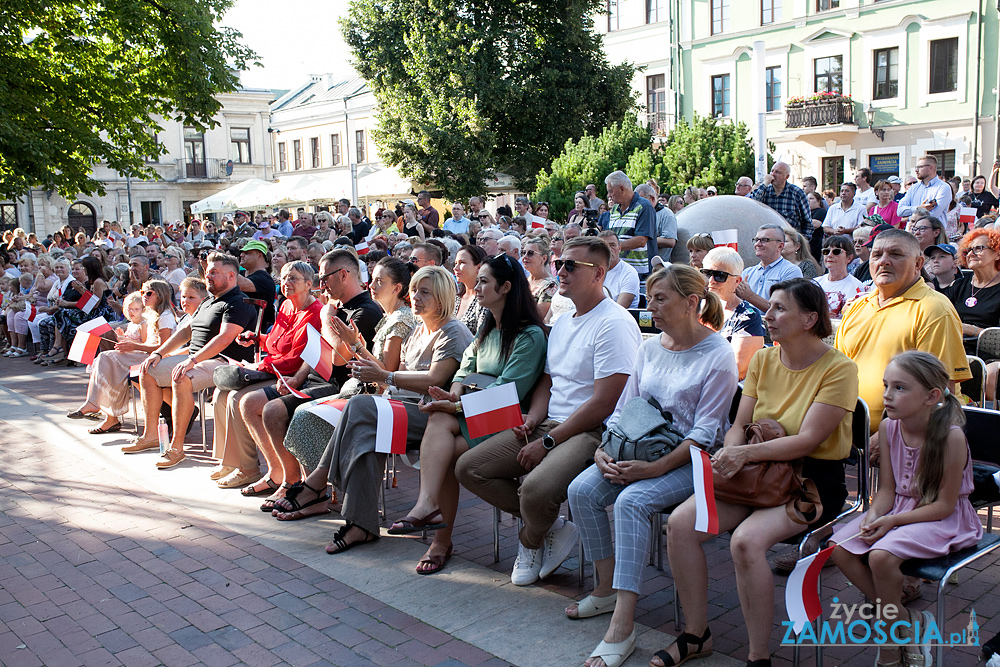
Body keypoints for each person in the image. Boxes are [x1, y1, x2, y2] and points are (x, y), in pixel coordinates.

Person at [660, 278, 858, 667]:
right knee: (681, 525)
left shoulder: (839, 368)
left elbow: (807, 441)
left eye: (779, 308)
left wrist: (742, 454)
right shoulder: (766, 359)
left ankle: (757, 657)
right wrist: (733, 451)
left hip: (810, 482)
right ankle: (696, 634)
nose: (767, 316)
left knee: (746, 542)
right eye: (770, 308)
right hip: (755, 474)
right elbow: (738, 422)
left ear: (810, 318)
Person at [564, 265, 737, 667]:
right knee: (581, 490)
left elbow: (705, 435)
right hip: (636, 448)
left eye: (661, 299)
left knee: (631, 502)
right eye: (650, 297)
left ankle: (623, 622)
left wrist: (653, 471)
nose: (651, 307)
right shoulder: (650, 347)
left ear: (692, 302)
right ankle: (605, 589)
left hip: (688, 460)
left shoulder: (718, 354)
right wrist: (602, 451)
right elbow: (625, 409)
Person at [456, 237, 643, 587]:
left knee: (536, 490)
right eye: (559, 264)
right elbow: (547, 381)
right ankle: (552, 526)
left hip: (592, 432)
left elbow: (604, 403)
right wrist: (533, 419)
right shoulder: (565, 319)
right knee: (469, 468)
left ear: (599, 273)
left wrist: (547, 442)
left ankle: (529, 541)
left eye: (571, 266)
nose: (561, 272)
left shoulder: (613, 323)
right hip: (549, 424)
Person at [270, 267, 473, 542]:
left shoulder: (453, 331)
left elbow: (432, 380)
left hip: (432, 415)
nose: (416, 297)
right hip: (400, 407)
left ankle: (317, 481)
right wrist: (357, 346)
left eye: (425, 292)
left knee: (360, 406)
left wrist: (383, 376)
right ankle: (360, 526)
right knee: (365, 436)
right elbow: (393, 380)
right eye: (414, 290)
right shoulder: (418, 329)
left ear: (443, 296)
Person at [388, 254, 546, 574]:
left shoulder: (529, 335)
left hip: (508, 417)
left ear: (505, 288)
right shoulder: (487, 329)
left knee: (443, 449)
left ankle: (435, 526)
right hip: (475, 412)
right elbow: (464, 370)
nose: (476, 285)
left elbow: (507, 391)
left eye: (484, 281)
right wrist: (453, 395)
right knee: (438, 419)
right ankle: (430, 513)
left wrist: (456, 405)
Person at [830, 351, 982, 667]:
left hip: (944, 518)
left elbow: (944, 505)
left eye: (900, 388)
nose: (887, 395)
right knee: (840, 549)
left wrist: (891, 520)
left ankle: (890, 646)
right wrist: (873, 516)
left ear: (932, 396)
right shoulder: (888, 428)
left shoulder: (951, 438)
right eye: (886, 385)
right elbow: (887, 490)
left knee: (881, 557)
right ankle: (906, 622)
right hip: (898, 510)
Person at [231, 249, 385, 493]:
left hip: (339, 386)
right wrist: (295, 378)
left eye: (323, 278)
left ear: (343, 275)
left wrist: (325, 317)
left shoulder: (362, 311)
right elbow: (313, 351)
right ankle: (277, 473)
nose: (320, 285)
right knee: (249, 403)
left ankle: (300, 486)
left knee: (273, 410)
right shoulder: (334, 306)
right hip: (312, 379)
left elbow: (337, 359)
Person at [281, 257, 417, 503]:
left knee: (304, 416)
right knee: (300, 414)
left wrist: (350, 341)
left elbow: (385, 374)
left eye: (379, 281)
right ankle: (314, 491)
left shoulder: (398, 319)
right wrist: (357, 345)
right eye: (372, 279)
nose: (371, 286)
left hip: (375, 396)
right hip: (360, 389)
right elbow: (350, 358)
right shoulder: (388, 316)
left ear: (397, 288)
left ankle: (315, 492)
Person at [835, 229, 970, 438]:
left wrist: (889, 434)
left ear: (918, 264)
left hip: (914, 437)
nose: (884, 261)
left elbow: (941, 391)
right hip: (851, 433)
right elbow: (837, 373)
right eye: (877, 255)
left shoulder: (934, 309)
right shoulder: (857, 306)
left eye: (895, 254)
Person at [133, 253, 257, 467]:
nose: (207, 275)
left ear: (231, 276)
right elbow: (186, 332)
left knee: (182, 377)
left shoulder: (240, 302)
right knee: (146, 370)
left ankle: (177, 447)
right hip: (196, 358)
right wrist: (158, 353)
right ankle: (151, 435)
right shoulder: (208, 300)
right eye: (208, 271)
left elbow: (225, 338)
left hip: (224, 360)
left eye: (214, 272)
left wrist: (192, 360)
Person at [211, 261, 323, 489]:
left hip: (291, 376)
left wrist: (259, 366)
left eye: (293, 278)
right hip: (275, 368)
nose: (286, 283)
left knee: (238, 399)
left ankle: (269, 471)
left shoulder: (315, 313)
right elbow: (277, 342)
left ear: (309, 284)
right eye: (283, 278)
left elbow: (297, 359)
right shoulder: (287, 305)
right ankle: (236, 463)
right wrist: (257, 337)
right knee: (221, 396)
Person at [71, 281, 176, 434]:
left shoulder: (165, 317)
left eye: (148, 293)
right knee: (106, 362)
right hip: (148, 355)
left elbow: (163, 348)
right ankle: (107, 415)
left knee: (106, 360)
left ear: (161, 295)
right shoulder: (154, 314)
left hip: (157, 358)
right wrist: (128, 343)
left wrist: (134, 346)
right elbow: (149, 343)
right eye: (142, 292)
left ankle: (99, 408)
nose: (144, 296)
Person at [701, 248, 765, 380]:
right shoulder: (694, 307)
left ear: (737, 281)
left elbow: (738, 370)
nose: (711, 280)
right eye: (707, 274)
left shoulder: (748, 316)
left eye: (720, 275)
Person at [736, 223, 803, 313]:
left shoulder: (790, 271)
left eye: (764, 240)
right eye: (756, 240)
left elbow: (784, 310)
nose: (758, 244)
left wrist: (750, 296)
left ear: (780, 246)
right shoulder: (747, 272)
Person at [604, 171, 657, 279]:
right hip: (618, 273)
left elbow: (641, 240)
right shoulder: (614, 209)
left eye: (610, 191)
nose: (608, 195)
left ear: (622, 188)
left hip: (640, 275)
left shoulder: (644, 206)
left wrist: (611, 247)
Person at [748, 161, 812, 238]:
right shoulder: (764, 191)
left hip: (789, 241)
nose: (773, 174)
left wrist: (801, 243)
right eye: (772, 171)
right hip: (767, 240)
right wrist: (764, 183)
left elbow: (807, 222)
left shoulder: (797, 193)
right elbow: (752, 203)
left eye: (778, 172)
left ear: (786, 177)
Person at [814, 235, 866, 318]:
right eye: (826, 252)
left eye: (836, 252)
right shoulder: (814, 283)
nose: (829, 255)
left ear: (849, 258)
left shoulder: (857, 286)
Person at [898, 155, 953, 227]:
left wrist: (909, 218)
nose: (916, 170)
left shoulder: (943, 187)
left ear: (931, 168)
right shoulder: (913, 188)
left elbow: (933, 215)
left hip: (933, 234)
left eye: (920, 167)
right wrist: (919, 208)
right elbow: (900, 211)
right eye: (916, 167)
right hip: (912, 233)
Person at [236, 240, 277, 332]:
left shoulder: (264, 279)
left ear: (259, 255)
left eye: (247, 253)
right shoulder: (240, 273)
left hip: (250, 335)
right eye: (242, 253)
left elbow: (241, 284)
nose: (242, 255)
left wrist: (226, 264)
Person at [598, 230, 639, 308]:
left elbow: (620, 308)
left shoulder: (629, 273)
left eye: (612, 245)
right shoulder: (592, 271)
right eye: (604, 246)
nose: (609, 250)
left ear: (619, 248)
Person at [452, 244, 488, 334]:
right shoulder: (456, 297)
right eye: (456, 263)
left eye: (462, 263)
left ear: (479, 267)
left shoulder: (484, 300)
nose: (455, 268)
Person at [521, 235, 558, 321]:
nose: (525, 257)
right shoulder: (524, 280)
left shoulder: (551, 285)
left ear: (544, 258)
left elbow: (538, 317)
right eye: (523, 253)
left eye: (530, 253)